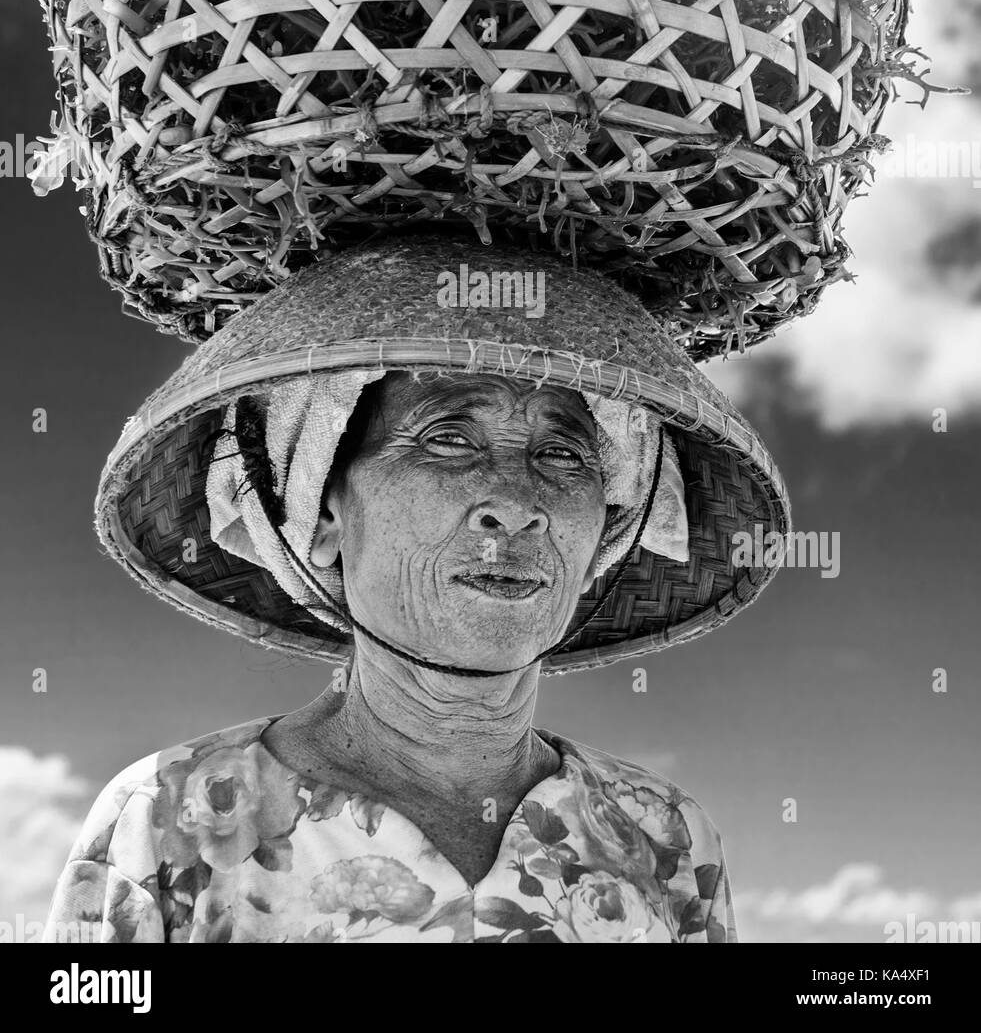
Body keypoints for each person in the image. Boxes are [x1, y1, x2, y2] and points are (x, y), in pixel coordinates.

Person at [43, 233, 789, 942]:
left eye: (561, 455)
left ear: (604, 532)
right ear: (324, 510)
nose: (517, 503)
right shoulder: (172, 816)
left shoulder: (663, 835)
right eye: (449, 438)